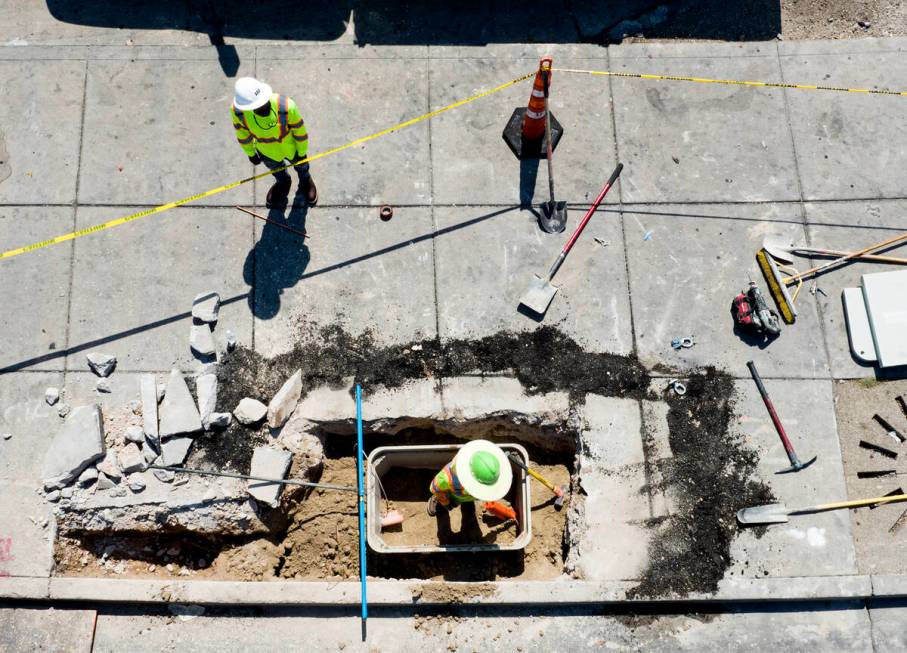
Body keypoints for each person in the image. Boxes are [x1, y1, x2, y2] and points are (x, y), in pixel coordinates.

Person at [231, 77, 318, 208]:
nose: (264, 107)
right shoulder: (238, 112)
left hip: (291, 147)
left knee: (302, 167)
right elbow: (242, 134)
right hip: (266, 152)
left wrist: (302, 152)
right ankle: (283, 182)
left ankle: (305, 180)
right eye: (257, 106)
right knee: (276, 170)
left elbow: (300, 131)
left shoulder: (286, 106)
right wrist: (250, 153)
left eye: (264, 101)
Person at [427, 440, 513, 516]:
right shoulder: (446, 478)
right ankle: (438, 501)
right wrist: (446, 502)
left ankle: (461, 502)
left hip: (466, 497)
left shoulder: (492, 470)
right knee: (446, 500)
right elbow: (435, 488)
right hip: (453, 495)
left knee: (461, 501)